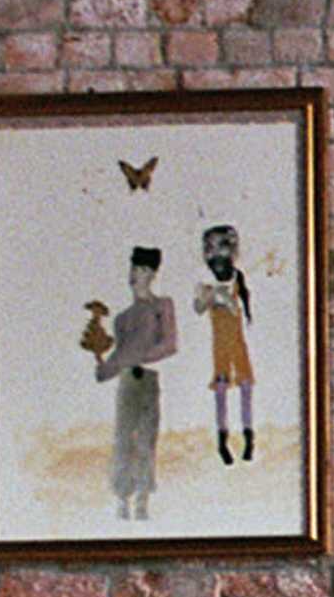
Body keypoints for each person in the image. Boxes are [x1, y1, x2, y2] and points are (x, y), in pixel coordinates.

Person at [91, 244, 179, 519]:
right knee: (123, 439)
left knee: (145, 438)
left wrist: (135, 357)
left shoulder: (161, 306)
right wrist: (103, 365)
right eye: (133, 268)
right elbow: (116, 358)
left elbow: (169, 344)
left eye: (142, 269)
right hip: (127, 381)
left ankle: (142, 498)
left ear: (152, 274)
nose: (135, 274)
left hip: (146, 378)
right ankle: (122, 498)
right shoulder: (123, 318)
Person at [194, 222, 256, 464]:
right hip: (220, 344)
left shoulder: (238, 278)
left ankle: (249, 438)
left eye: (220, 248)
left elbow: (244, 306)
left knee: (245, 386)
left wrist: (237, 307)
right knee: (221, 389)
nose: (215, 254)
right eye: (209, 249)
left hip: (237, 342)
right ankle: (223, 441)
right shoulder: (206, 285)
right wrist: (212, 296)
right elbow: (199, 307)